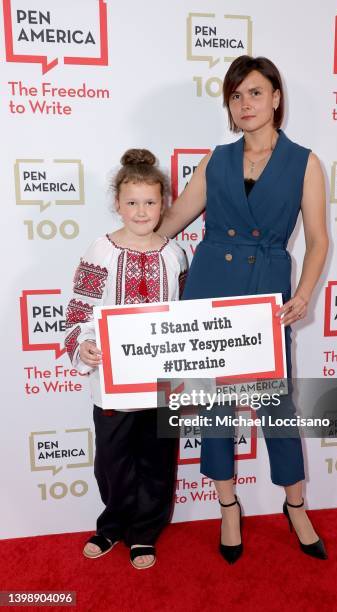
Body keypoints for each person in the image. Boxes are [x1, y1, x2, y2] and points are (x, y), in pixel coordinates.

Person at [158, 55, 329, 563]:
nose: (245, 103)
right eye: (236, 96)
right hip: (210, 290)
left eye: (255, 92)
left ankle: (294, 504)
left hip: (267, 294)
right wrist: (131, 234)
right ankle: (227, 504)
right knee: (212, 405)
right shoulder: (217, 160)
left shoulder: (305, 162)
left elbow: (318, 241)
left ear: (276, 97)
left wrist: (303, 293)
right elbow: (171, 222)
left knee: (277, 408)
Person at [64, 149, 188, 569]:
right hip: (111, 384)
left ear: (163, 203)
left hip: (162, 387)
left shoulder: (175, 255)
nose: (141, 210)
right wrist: (83, 346)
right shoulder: (100, 251)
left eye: (150, 202)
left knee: (157, 461)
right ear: (117, 203)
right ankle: (113, 523)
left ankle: (144, 534)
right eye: (132, 202)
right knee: (112, 462)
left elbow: (187, 320)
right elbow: (79, 309)